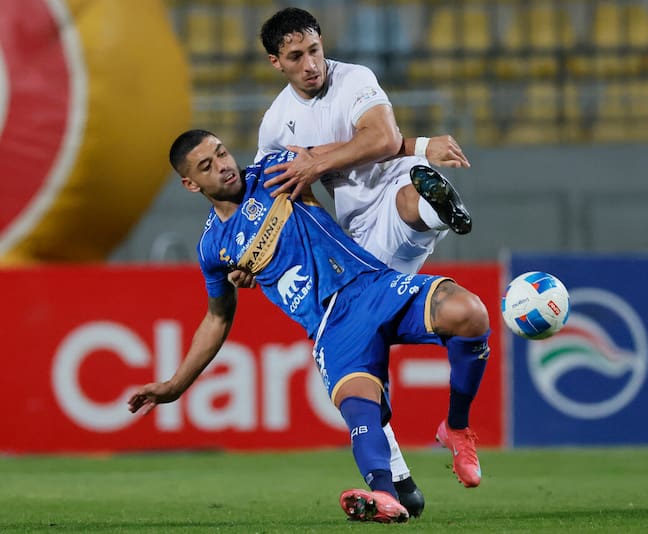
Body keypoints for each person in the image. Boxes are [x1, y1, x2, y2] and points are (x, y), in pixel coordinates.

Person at [128, 130, 491, 523]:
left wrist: (420, 147)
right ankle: (385, 499)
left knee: (470, 312)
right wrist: (174, 386)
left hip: (371, 285)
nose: (223, 166)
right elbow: (217, 317)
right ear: (190, 183)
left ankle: (456, 428)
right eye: (207, 166)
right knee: (361, 411)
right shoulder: (212, 247)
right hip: (331, 330)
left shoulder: (275, 169)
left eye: (221, 153)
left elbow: (366, 146)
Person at [249, 7, 475, 513]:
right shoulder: (275, 124)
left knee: (410, 203)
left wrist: (313, 159)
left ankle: (437, 211)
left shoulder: (356, 79)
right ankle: (398, 480)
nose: (310, 64)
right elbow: (270, 196)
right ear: (275, 62)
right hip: (355, 240)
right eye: (295, 57)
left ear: (321, 42)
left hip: (395, 188)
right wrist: (252, 256)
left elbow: (378, 139)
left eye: (314, 49)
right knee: (362, 354)